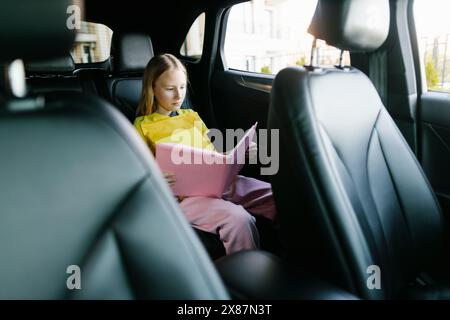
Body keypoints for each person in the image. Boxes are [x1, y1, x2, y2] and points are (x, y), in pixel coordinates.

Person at [134, 53, 277, 255]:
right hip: (184, 197)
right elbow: (136, 172)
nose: (178, 96)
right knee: (238, 219)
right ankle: (245, 277)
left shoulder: (191, 116)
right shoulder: (142, 126)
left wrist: (236, 154)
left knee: (277, 195)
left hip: (218, 184)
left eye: (182, 87)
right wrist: (153, 176)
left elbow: (210, 155)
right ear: (152, 88)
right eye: (169, 89)